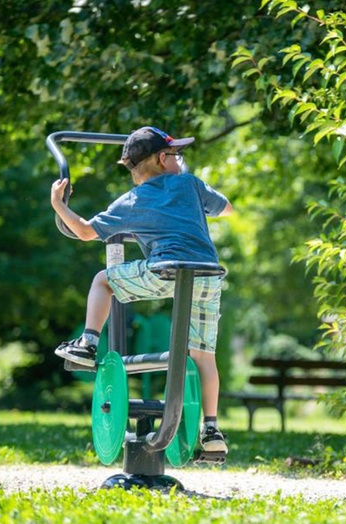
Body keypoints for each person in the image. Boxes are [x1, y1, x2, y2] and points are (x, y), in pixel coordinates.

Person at [49, 126, 232, 453]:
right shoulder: (189, 184)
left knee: (103, 280)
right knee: (204, 355)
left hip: (166, 271)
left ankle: (87, 344)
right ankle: (213, 429)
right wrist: (193, 187)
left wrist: (59, 204)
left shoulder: (132, 201)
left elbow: (86, 232)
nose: (180, 160)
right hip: (207, 273)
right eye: (177, 155)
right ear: (163, 158)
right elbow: (227, 208)